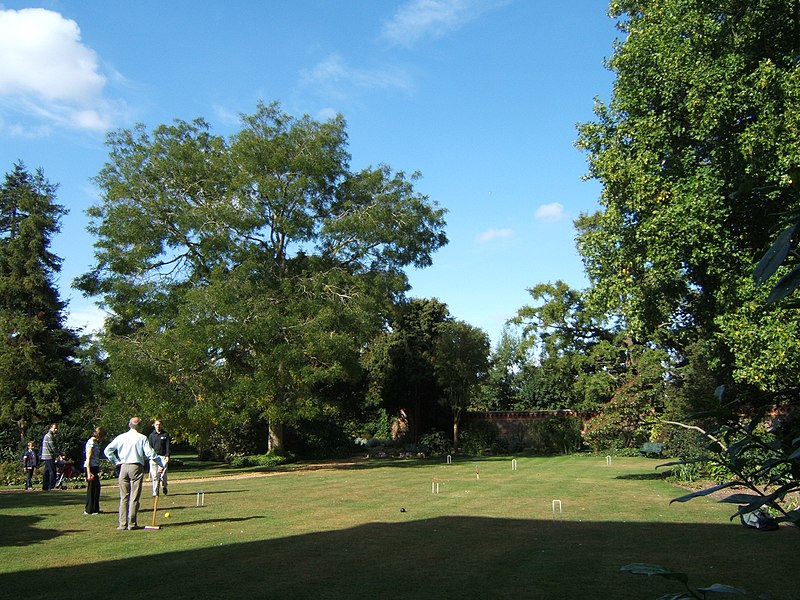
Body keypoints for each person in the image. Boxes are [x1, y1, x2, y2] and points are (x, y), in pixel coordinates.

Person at [104, 417, 167, 530]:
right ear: (140, 426)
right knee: (134, 497)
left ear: (130, 425)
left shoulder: (121, 437)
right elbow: (150, 454)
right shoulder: (142, 438)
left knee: (124, 497)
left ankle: (122, 524)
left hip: (123, 467)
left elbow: (107, 450)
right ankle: (132, 524)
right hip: (136, 467)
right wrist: (161, 464)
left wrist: (116, 462)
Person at [84, 427, 106, 515]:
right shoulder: (91, 443)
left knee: (96, 488)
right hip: (90, 467)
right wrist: (89, 472)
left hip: (95, 466)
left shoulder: (96, 443)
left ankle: (95, 508)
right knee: (92, 489)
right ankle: (89, 509)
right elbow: (88, 458)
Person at [148, 419, 171, 496]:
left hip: (163, 457)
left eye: (159, 425)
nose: (158, 426)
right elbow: (149, 448)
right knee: (154, 476)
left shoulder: (165, 434)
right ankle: (155, 492)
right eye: (157, 425)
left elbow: (168, 446)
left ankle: (164, 486)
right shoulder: (151, 435)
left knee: (163, 475)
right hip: (154, 457)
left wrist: (167, 455)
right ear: (154, 425)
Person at [40, 423, 58, 491]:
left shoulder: (48, 436)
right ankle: (51, 486)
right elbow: (52, 447)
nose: (56, 430)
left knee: (46, 471)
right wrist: (57, 454)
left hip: (46, 456)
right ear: (51, 428)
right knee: (52, 471)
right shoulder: (49, 436)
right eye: (54, 428)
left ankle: (45, 486)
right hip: (49, 456)